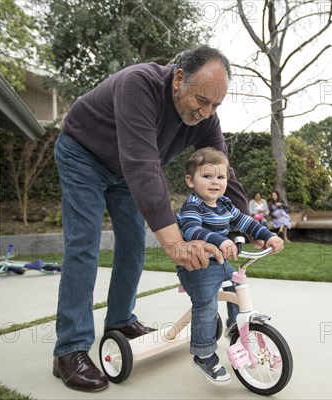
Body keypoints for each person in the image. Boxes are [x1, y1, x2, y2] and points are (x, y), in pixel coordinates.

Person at [52, 46, 254, 392]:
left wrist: (249, 225)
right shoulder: (138, 85)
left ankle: (119, 321)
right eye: (202, 100)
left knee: (133, 247)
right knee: (84, 245)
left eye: (216, 105)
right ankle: (70, 349)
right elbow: (144, 166)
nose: (206, 112)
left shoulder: (206, 119)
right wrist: (174, 241)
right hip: (83, 153)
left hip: (125, 170)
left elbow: (224, 172)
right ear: (178, 79)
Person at [176, 148, 284, 385]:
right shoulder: (192, 207)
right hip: (197, 267)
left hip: (221, 263)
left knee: (236, 289)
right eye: (207, 176)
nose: (215, 182)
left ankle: (236, 328)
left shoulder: (225, 204)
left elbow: (245, 221)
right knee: (205, 304)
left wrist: (268, 235)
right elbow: (193, 230)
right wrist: (220, 240)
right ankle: (203, 353)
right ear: (190, 180)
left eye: (221, 177)